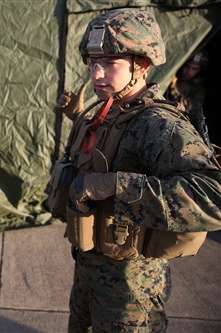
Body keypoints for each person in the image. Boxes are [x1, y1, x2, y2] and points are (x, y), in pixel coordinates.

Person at [54, 8, 221, 332]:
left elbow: (214, 197)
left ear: (141, 65)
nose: (97, 74)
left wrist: (115, 185)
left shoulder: (158, 124)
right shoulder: (107, 110)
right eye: (93, 62)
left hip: (130, 292)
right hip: (88, 269)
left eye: (110, 63)